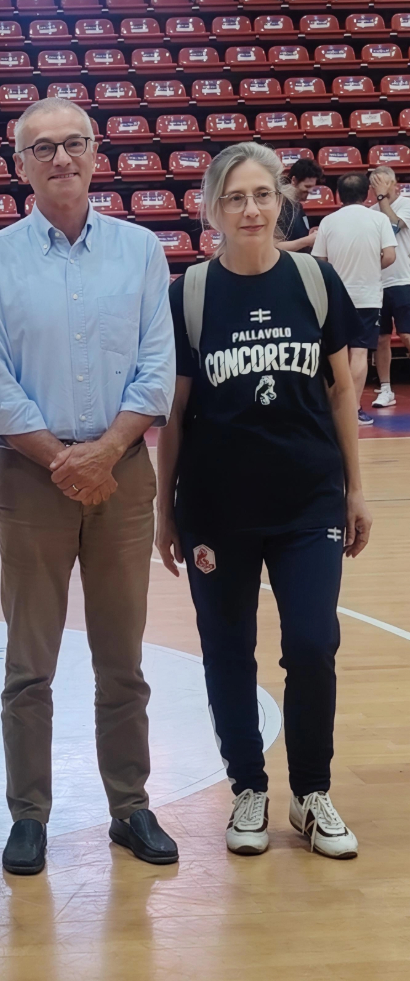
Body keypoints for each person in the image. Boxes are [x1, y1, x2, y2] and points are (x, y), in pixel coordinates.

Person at [0, 97, 178, 875]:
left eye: (74, 143)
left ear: (96, 153)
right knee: (30, 663)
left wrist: (108, 450)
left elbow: (157, 366)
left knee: (123, 658)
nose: (61, 158)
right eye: (43, 147)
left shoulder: (141, 250)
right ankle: (29, 814)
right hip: (32, 477)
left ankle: (131, 805)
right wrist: (64, 458)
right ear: (20, 164)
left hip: (123, 473)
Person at [156, 141, 371, 861]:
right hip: (216, 507)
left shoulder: (313, 280)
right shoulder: (189, 294)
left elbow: (341, 392)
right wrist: (164, 509)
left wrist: (356, 489)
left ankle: (311, 793)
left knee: (312, 644)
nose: (251, 210)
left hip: (309, 500)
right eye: (235, 197)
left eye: (263, 195)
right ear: (212, 209)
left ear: (281, 201)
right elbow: (174, 414)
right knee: (227, 652)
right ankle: (248, 786)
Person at [312, 173, 396, 426]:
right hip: (367, 296)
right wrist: (371, 267)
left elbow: (319, 261)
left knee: (336, 353)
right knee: (359, 352)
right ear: (367, 193)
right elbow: (390, 256)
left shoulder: (328, 221)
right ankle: (353, 410)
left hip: (335, 297)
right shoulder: (379, 219)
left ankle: (333, 408)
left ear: (338, 194)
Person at [369, 166, 410, 409]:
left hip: (404, 279)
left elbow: (394, 226)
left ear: (395, 184)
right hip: (378, 283)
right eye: (376, 185)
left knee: (406, 334)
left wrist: (383, 198)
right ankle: (385, 388)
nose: (380, 189)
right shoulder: (370, 213)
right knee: (381, 338)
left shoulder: (406, 204)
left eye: (384, 184)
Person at [277, 157, 323, 253]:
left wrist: (310, 234)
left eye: (313, 187)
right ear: (294, 180)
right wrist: (307, 240)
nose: (310, 191)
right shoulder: (281, 205)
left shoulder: (297, 205)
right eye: (307, 186)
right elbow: (274, 247)